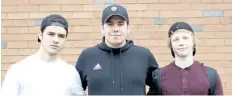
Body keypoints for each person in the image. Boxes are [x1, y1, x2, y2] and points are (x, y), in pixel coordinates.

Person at [75, 4, 159, 95]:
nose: (116, 29)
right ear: (102, 28)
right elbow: (75, 89)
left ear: (128, 28)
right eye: (110, 24)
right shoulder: (88, 56)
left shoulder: (144, 55)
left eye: (120, 24)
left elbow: (158, 86)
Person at [0, 14, 85, 96]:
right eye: (51, 34)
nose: (56, 40)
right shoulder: (18, 70)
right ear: (40, 36)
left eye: (61, 36)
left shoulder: (70, 72)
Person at [148, 22, 223, 95]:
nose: (181, 43)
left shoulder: (211, 75)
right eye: (176, 39)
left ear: (193, 42)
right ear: (171, 45)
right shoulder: (158, 76)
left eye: (185, 38)